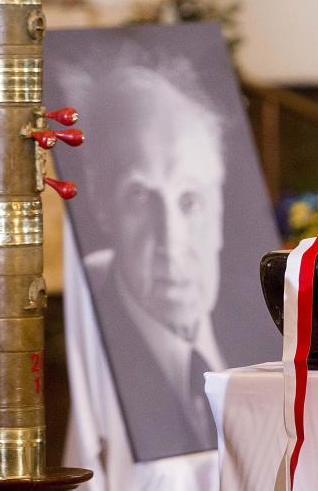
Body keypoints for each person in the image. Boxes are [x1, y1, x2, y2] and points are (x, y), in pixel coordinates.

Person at [81, 63, 228, 461]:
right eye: (141, 198)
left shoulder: (258, 340)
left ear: (218, 216)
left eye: (189, 201)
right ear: (101, 204)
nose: (172, 242)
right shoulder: (96, 362)